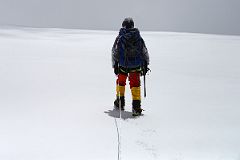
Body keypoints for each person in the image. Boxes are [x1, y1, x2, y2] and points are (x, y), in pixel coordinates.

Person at [112, 17, 149, 116]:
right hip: (136, 65)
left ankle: (120, 102)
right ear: (133, 25)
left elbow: (114, 52)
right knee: (135, 84)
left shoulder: (120, 37)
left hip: (122, 65)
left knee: (121, 82)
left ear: (123, 25)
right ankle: (136, 107)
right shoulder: (138, 37)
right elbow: (144, 51)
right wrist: (146, 64)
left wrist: (115, 65)